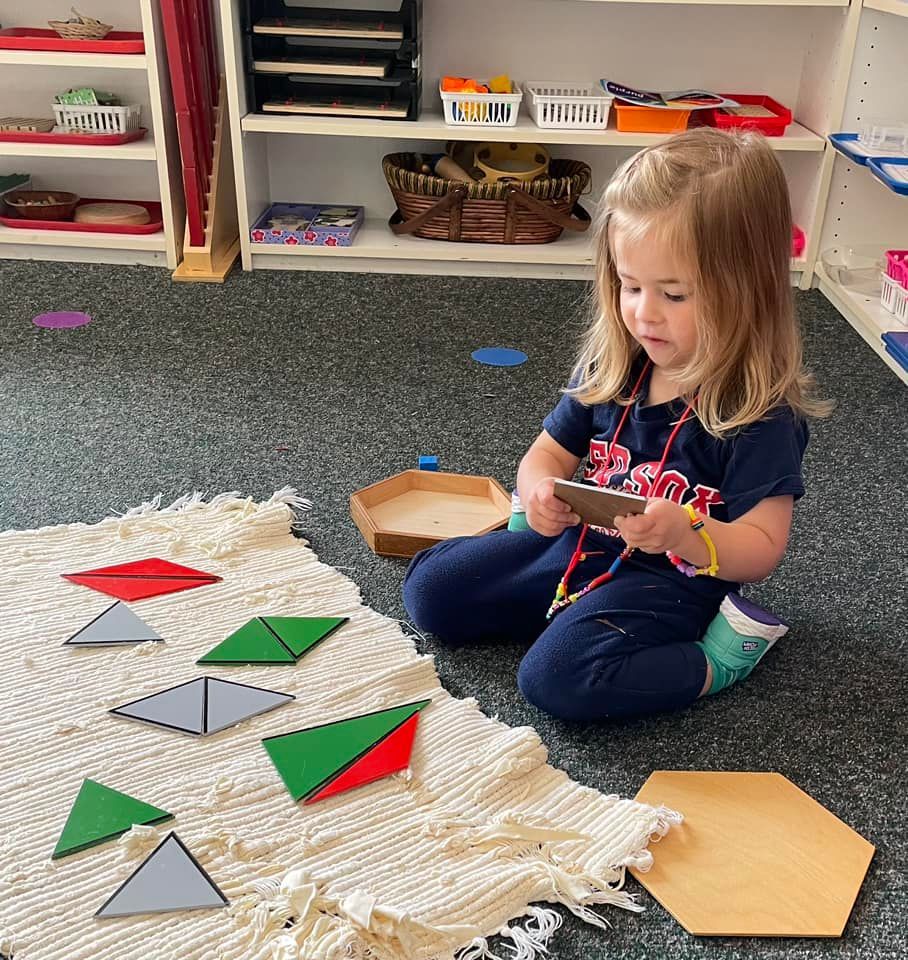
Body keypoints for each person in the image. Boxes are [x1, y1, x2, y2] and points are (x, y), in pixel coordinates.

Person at [403, 128, 827, 722]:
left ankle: (718, 658)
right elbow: (544, 458)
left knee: (555, 680)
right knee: (430, 592)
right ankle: (564, 612)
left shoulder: (759, 413)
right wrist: (539, 492)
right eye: (630, 286)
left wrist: (684, 534)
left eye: (675, 294)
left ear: (748, 291)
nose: (644, 313)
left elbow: (760, 549)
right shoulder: (616, 363)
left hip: (673, 580)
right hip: (580, 545)